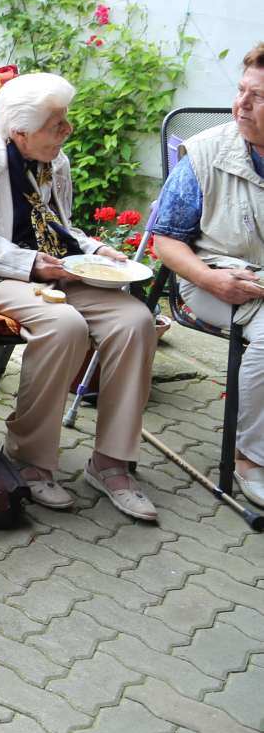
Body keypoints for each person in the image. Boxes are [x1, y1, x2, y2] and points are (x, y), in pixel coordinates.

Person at [0, 73, 158, 520]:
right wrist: (27, 264)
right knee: (65, 327)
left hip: (60, 271)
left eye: (64, 120)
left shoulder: (53, 162)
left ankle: (111, 462)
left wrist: (97, 250)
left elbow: (60, 226)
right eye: (56, 124)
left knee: (135, 321)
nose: (67, 131)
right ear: (19, 132)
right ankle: (30, 457)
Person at [150, 42, 264, 509]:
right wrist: (213, 280)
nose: (241, 104)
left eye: (258, 97)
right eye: (241, 91)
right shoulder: (204, 153)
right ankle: (249, 458)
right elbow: (166, 242)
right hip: (214, 281)